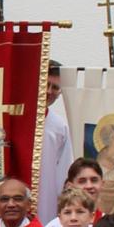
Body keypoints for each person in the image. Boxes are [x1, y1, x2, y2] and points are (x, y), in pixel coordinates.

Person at [38, 63, 71, 218]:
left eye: (55, 88)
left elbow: (63, 171)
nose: (49, 91)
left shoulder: (60, 127)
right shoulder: (14, 118)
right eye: (46, 84)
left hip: (46, 199)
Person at [43, 158, 104, 227]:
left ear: (102, 184)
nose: (89, 186)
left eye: (94, 180)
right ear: (70, 186)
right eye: (82, 181)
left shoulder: (111, 226)